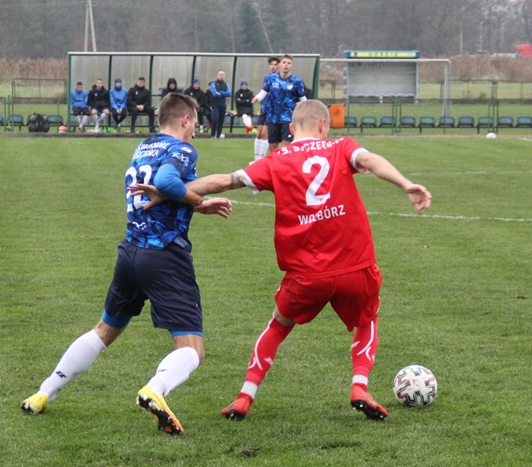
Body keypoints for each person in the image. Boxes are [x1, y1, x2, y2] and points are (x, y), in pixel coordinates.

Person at [135, 99, 431, 422]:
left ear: (291, 128)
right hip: (356, 265)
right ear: (323, 125)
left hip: (307, 273)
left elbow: (226, 180)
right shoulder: (341, 147)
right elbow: (370, 160)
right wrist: (406, 184)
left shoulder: (277, 160)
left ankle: (245, 397)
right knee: (367, 319)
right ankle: (359, 386)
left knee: (278, 324)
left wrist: (168, 192)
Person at [20, 92, 233, 434]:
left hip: (130, 251)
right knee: (193, 348)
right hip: (164, 255)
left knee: (104, 330)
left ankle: (43, 392)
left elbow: (157, 189)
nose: (196, 131)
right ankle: (154, 390)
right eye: (195, 123)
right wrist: (199, 201)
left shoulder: (144, 147)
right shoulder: (182, 149)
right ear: (184, 120)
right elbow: (165, 182)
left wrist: (192, 202)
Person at [254, 54, 306, 153]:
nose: (286, 65)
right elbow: (264, 91)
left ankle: (285, 163)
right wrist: (257, 98)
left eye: (289, 63)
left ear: (292, 66)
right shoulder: (272, 78)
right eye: (284, 62)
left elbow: (303, 99)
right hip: (273, 118)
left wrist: (308, 110)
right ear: (280, 65)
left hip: (288, 119)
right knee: (273, 149)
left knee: (286, 148)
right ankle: (269, 163)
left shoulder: (297, 81)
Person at [252, 56, 280, 161]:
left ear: (279, 66)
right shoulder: (267, 77)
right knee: (259, 133)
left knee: (265, 133)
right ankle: (256, 159)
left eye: (275, 64)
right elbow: (264, 91)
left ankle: (262, 159)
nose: (273, 66)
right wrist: (257, 98)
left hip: (273, 110)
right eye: (271, 64)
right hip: (264, 107)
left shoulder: (281, 78)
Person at [207, 70, 231, 138]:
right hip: (215, 105)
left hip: (223, 105)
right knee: (215, 119)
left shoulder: (226, 84)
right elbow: (215, 94)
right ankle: (213, 135)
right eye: (220, 74)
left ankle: (218, 135)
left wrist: (221, 92)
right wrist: (224, 93)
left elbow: (229, 93)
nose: (221, 76)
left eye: (222, 75)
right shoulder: (213, 84)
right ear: (217, 75)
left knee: (221, 121)